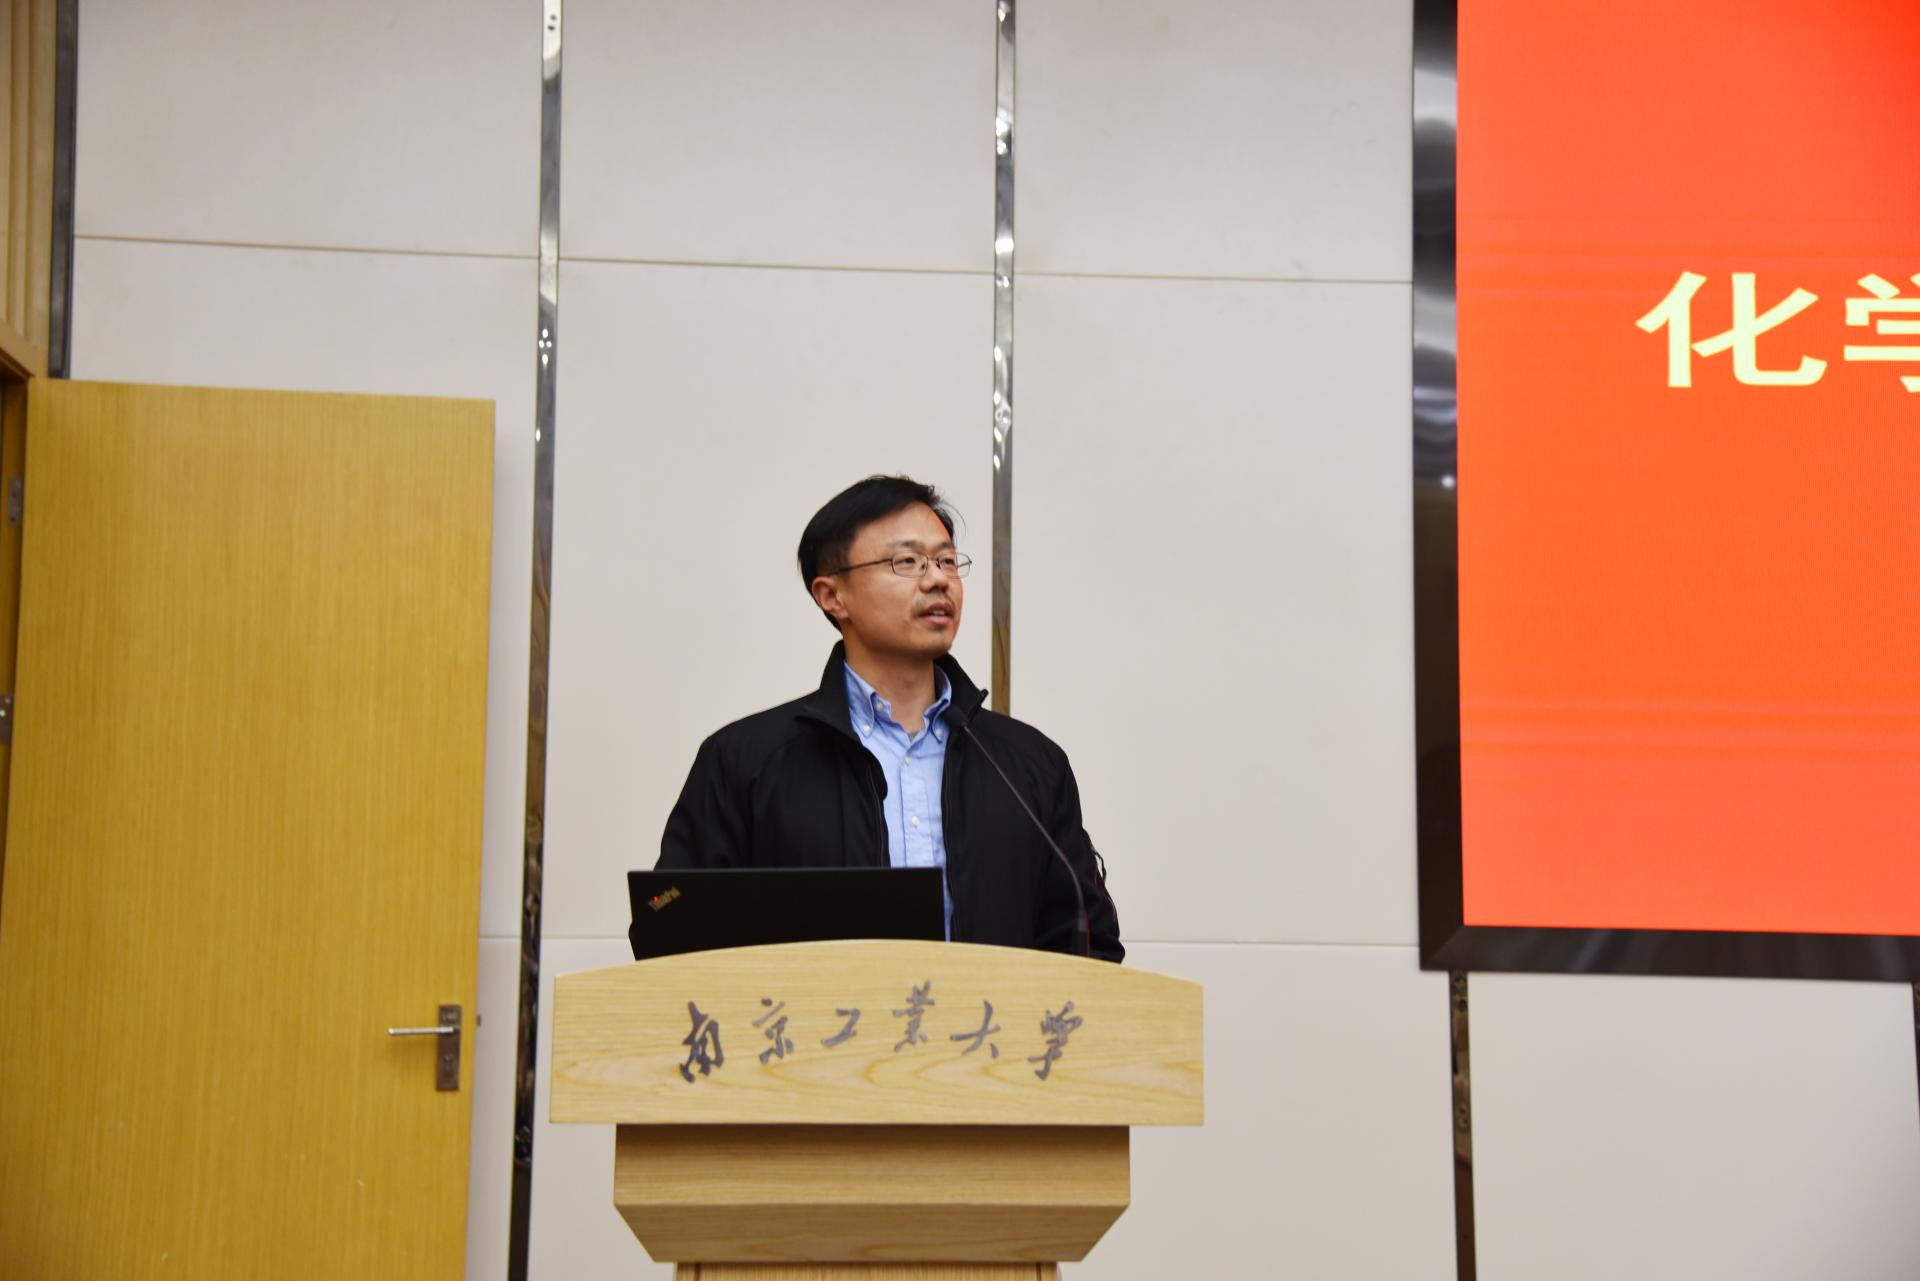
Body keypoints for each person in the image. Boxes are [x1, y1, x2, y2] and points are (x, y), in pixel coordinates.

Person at [657, 474, 1123, 961]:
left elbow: (1087, 943)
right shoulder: (746, 761)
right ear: (832, 595)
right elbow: (676, 934)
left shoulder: (1028, 764)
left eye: (946, 560)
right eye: (907, 561)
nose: (938, 579)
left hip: (989, 1014)